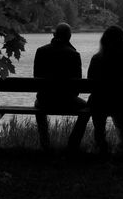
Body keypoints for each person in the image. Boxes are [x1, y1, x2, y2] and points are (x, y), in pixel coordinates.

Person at [33, 22, 89, 152]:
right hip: (67, 101)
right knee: (87, 108)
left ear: (54, 35)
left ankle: (45, 144)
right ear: (69, 37)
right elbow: (77, 87)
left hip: (44, 101)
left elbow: (37, 79)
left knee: (38, 103)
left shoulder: (41, 51)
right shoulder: (74, 55)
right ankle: (72, 145)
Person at [87, 25, 123, 154]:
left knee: (97, 102)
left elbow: (89, 81)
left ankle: (100, 142)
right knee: (119, 100)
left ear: (104, 40)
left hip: (100, 102)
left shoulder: (96, 59)